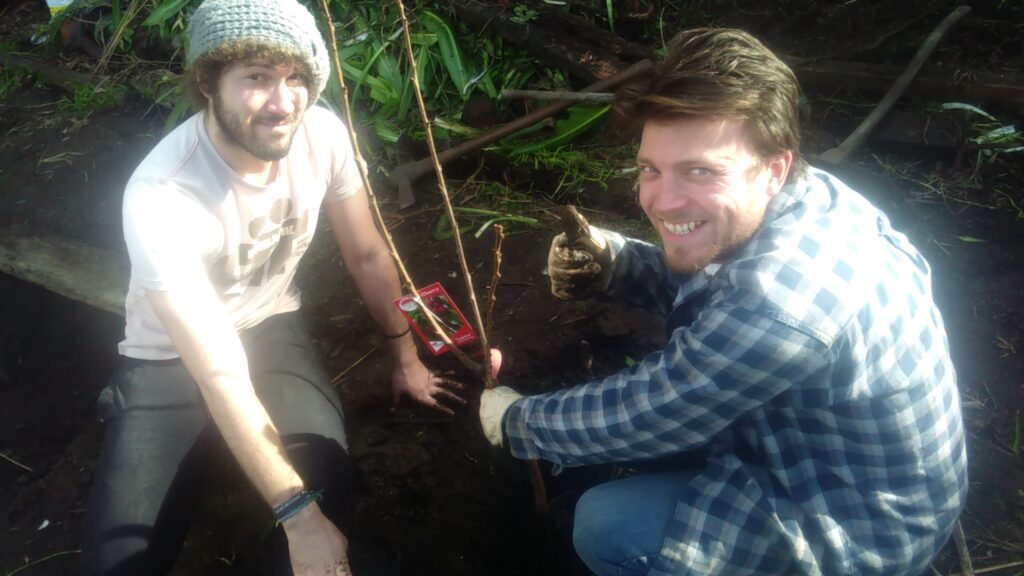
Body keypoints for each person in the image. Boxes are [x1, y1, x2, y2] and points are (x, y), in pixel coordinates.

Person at [479, 28, 967, 576]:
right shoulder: (801, 196)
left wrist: (518, 422)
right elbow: (717, 289)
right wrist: (617, 262)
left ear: (773, 168)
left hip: (855, 525)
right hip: (821, 450)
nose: (662, 202)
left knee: (605, 525)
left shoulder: (782, 303)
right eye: (650, 168)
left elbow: (659, 409)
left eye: (700, 171)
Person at [80, 0, 463, 574]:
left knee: (326, 477)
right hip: (167, 354)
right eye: (257, 77)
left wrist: (406, 359)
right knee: (117, 563)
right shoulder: (162, 195)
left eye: (297, 78)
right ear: (207, 82)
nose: (283, 104)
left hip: (267, 322)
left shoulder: (322, 136)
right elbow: (218, 371)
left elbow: (366, 254)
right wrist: (297, 516)